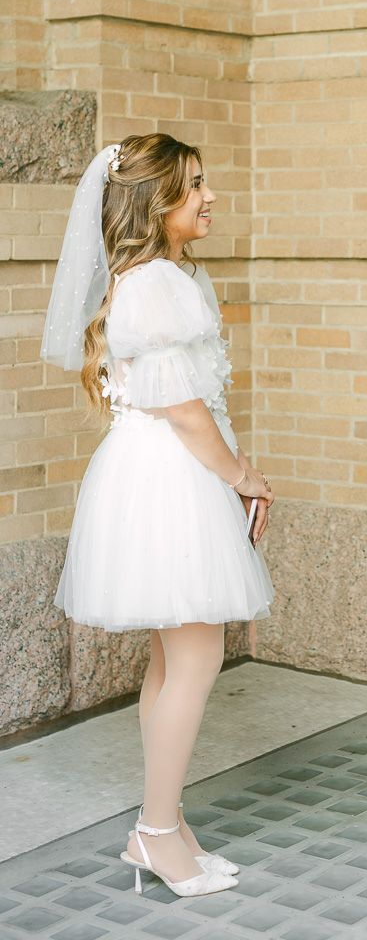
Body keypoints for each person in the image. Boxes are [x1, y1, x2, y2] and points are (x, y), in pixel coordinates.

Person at [41, 133, 276, 899]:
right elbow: (182, 408)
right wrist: (242, 477)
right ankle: (155, 827)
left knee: (172, 660)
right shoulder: (155, 286)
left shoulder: (155, 277)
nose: (209, 196)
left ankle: (166, 826)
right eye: (192, 186)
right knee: (198, 658)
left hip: (164, 474)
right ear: (152, 203)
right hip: (173, 477)